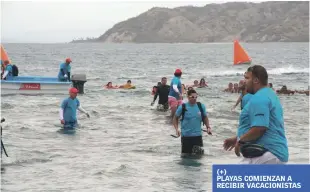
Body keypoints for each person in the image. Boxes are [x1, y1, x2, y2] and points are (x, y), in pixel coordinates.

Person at [223, 65, 289, 164]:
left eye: (247, 78)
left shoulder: (259, 98)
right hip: (273, 154)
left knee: (230, 177)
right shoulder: (270, 94)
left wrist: (240, 141)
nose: (244, 81)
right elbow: (267, 125)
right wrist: (237, 137)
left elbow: (260, 128)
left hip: (268, 154)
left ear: (256, 80)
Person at [173, 89, 212, 157]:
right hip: (186, 137)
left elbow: (205, 117)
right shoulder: (183, 107)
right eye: (192, 97)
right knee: (185, 159)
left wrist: (208, 127)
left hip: (197, 137)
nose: (194, 99)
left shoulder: (200, 106)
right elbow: (175, 118)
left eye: (196, 97)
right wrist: (177, 129)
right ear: (188, 97)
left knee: (199, 159)